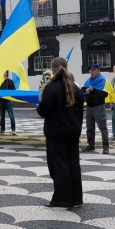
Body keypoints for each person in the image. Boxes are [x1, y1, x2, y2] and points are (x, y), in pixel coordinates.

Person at [38, 57, 85, 209]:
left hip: (56, 132)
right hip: (73, 131)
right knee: (73, 164)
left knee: (59, 165)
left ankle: (62, 199)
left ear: (52, 70)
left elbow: (44, 109)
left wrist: (38, 108)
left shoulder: (52, 87)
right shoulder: (75, 87)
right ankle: (76, 198)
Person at [81, 64, 110, 154]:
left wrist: (93, 90)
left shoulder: (103, 80)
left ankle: (106, 146)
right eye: (90, 70)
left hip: (99, 106)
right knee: (89, 127)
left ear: (98, 71)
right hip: (89, 106)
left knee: (102, 127)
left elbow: (104, 94)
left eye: (93, 70)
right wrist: (86, 90)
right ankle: (91, 144)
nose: (91, 72)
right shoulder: (89, 80)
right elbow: (82, 89)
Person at [0, 71, 17, 135]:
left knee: (11, 115)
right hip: (1, 100)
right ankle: (2, 130)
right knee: (2, 116)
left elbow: (14, 90)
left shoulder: (10, 81)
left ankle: (13, 130)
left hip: (8, 101)